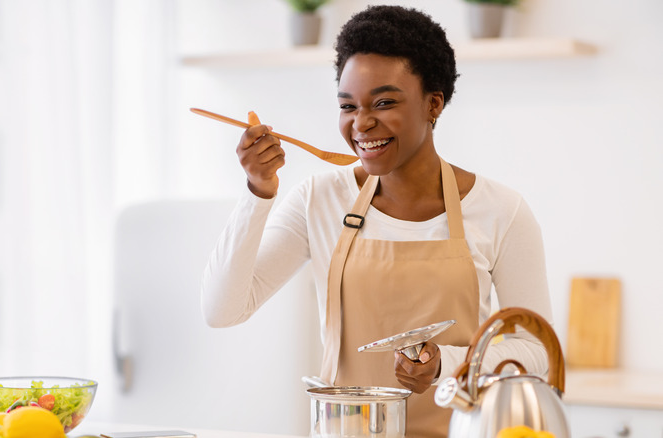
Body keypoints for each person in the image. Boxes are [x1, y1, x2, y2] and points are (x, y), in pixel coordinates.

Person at [201, 5, 554, 438]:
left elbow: (538, 352)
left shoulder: (502, 210)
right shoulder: (319, 199)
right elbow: (222, 310)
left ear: (434, 103)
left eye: (384, 102)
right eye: (348, 105)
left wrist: (444, 363)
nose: (362, 123)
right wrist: (258, 190)